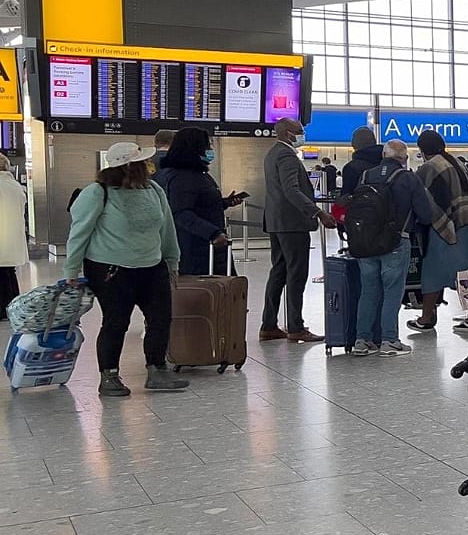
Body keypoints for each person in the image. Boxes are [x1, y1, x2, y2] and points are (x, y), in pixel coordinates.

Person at [64, 142, 188, 397]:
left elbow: (166, 228)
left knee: (160, 318)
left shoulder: (153, 189)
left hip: (152, 266)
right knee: (116, 322)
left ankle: (157, 369)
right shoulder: (98, 193)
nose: (149, 167)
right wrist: (71, 270)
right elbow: (79, 232)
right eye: (143, 163)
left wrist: (172, 260)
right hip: (111, 269)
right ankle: (108, 376)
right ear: (131, 166)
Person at [352, 140, 439, 356]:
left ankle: (362, 341)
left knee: (369, 291)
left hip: (365, 242)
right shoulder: (407, 178)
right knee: (392, 292)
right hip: (396, 242)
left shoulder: (365, 176)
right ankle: (389, 340)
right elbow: (426, 214)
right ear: (405, 158)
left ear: (383, 154)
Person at [261, 118, 338, 344]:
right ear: (287, 133)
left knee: (279, 272)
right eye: (299, 131)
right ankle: (296, 326)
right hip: (292, 224)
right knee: (296, 274)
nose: (303, 135)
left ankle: (269, 324)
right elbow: (291, 191)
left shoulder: (272, 153)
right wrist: (318, 213)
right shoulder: (286, 156)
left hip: (276, 222)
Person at [408, 130, 468, 332]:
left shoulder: (429, 167)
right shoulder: (458, 163)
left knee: (433, 272)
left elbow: (422, 199)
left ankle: (426, 317)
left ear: (422, 149)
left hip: (447, 227)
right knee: (467, 272)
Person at [155, 127, 243, 276]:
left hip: (210, 247)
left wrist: (225, 203)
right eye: (207, 145)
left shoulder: (196, 173)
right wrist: (213, 233)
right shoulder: (182, 177)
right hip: (197, 249)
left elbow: (199, 204)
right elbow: (181, 212)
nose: (210, 149)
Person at [0, 156, 26, 315]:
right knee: (9, 272)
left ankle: (3, 310)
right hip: (13, 238)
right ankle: (13, 308)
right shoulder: (15, 186)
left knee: (3, 273)